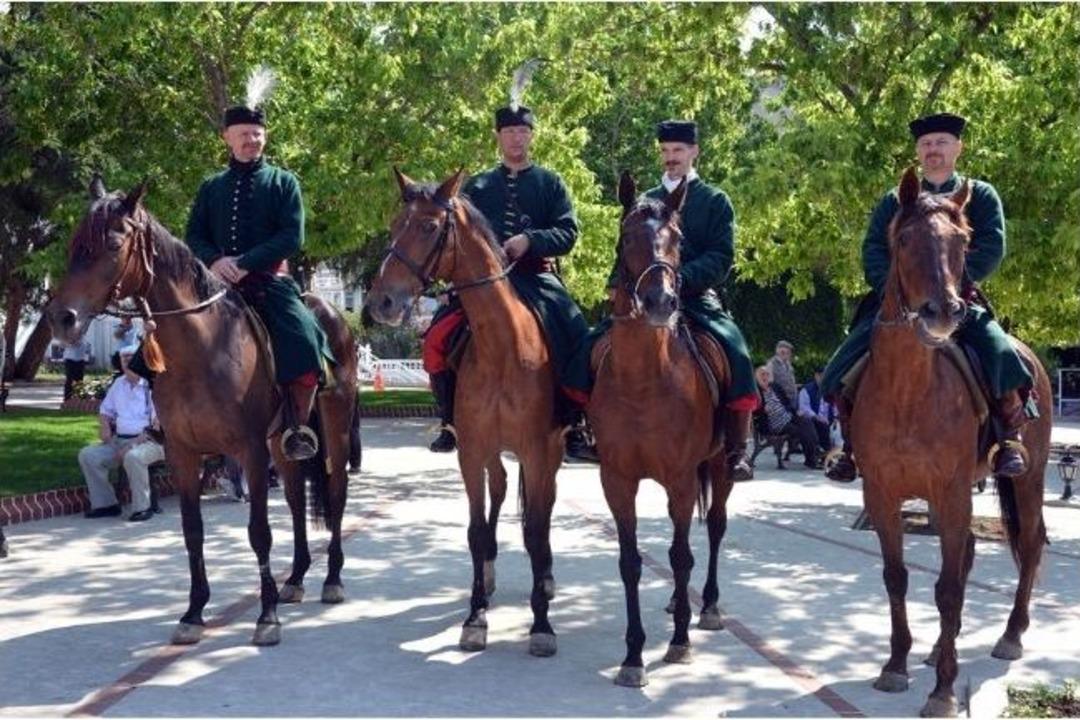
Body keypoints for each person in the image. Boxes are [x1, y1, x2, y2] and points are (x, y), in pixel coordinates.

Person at [821, 112, 1036, 482]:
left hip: (958, 297)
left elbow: (991, 246)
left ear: (957, 147)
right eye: (926, 144)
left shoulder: (980, 195)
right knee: (844, 363)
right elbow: (873, 247)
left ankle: (1010, 440)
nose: (933, 149)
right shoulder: (895, 200)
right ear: (918, 151)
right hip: (898, 301)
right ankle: (851, 447)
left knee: (999, 350)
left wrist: (950, 284)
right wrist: (892, 288)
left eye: (940, 142)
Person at [566, 120, 759, 479]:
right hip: (642, 300)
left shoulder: (716, 200)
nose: (671, 158)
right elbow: (624, 252)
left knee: (737, 349)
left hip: (696, 297)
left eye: (679, 151)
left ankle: (736, 449)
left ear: (694, 152)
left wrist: (678, 281)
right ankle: (581, 430)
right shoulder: (643, 201)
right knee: (589, 345)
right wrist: (615, 286)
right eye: (666, 152)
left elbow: (721, 257)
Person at [421, 102, 593, 461]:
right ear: (498, 137)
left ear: (531, 135)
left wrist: (530, 240)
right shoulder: (479, 186)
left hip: (536, 278)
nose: (517, 138)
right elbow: (458, 238)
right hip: (482, 286)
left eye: (523, 131)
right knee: (437, 337)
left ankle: (575, 422)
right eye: (510, 132)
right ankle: (449, 420)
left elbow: (568, 232)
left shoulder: (550, 182)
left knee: (575, 331)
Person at [185, 70, 334, 461]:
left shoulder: (285, 182)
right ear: (227, 138)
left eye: (257, 134)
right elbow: (194, 235)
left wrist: (247, 263)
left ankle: (298, 426)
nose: (252, 140)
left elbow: (291, 237)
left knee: (305, 338)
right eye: (244, 134)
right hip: (216, 286)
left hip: (269, 283)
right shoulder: (210, 187)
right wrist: (215, 260)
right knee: (167, 336)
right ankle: (168, 419)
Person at [79, 345, 165, 522]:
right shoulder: (118, 383)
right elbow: (105, 410)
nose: (127, 360)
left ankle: (143, 508)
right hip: (119, 441)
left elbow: (157, 426)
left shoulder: (153, 385)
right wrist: (104, 426)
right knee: (88, 455)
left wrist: (131, 445)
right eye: (123, 357)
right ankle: (106, 505)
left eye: (131, 357)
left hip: (151, 442)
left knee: (133, 457)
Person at [756, 365, 820, 469]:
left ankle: (814, 454)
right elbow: (752, 410)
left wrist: (796, 412)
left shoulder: (775, 387)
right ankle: (812, 459)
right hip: (773, 423)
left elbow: (787, 402)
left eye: (767, 374)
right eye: (762, 374)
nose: (765, 377)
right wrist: (762, 409)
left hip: (788, 416)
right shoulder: (756, 391)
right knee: (801, 431)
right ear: (757, 377)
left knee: (806, 421)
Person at [797, 367, 835, 453]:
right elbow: (804, 408)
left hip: (830, 420)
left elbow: (835, 405)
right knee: (821, 427)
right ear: (816, 376)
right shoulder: (806, 389)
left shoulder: (830, 388)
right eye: (821, 376)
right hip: (813, 420)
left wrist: (836, 417)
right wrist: (816, 417)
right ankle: (823, 453)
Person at [766, 340, 798, 411]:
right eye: (784, 351)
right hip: (781, 402)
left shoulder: (788, 364)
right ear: (777, 351)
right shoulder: (771, 364)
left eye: (788, 352)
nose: (787, 354)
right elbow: (769, 384)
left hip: (793, 401)